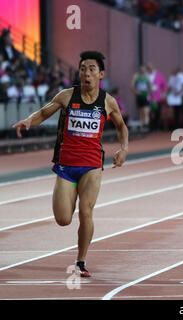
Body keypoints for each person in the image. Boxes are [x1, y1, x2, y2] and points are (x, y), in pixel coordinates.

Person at [12, 51, 129, 277]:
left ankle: (81, 261)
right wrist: (29, 121)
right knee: (63, 219)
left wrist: (123, 149)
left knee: (86, 212)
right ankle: (70, 193)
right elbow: (44, 112)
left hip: (92, 165)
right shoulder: (67, 95)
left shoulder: (108, 101)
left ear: (101, 74)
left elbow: (122, 127)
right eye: (83, 68)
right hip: (66, 166)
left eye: (91, 69)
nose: (86, 73)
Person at [131, 65, 151, 131]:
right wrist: (136, 92)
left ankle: (146, 126)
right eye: (141, 70)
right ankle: (142, 126)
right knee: (141, 112)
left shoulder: (147, 77)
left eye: (144, 70)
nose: (143, 71)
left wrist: (149, 93)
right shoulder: (136, 76)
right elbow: (132, 86)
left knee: (146, 111)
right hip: (139, 97)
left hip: (146, 97)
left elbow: (150, 86)